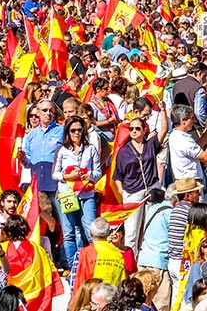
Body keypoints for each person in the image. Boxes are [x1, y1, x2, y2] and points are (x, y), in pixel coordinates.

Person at [113, 115, 166, 255]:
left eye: (138, 128)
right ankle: (132, 262)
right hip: (132, 191)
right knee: (132, 231)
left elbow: (164, 130)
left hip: (151, 189)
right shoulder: (124, 151)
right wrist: (121, 191)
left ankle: (147, 259)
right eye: (131, 129)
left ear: (144, 130)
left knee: (151, 227)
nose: (134, 131)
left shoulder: (150, 145)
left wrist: (163, 111)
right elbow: (117, 174)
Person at [53, 115, 101, 269]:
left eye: (80, 130)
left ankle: (94, 263)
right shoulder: (62, 150)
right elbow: (55, 174)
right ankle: (73, 266)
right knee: (69, 233)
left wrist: (89, 175)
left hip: (86, 194)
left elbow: (98, 172)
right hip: (67, 194)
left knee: (90, 230)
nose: (77, 133)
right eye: (73, 130)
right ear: (67, 132)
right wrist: (68, 176)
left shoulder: (90, 149)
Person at [72, 218, 136, 296]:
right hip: (112, 301)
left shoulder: (84, 253)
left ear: (90, 233)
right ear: (108, 233)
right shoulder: (119, 255)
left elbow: (75, 281)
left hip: (90, 300)